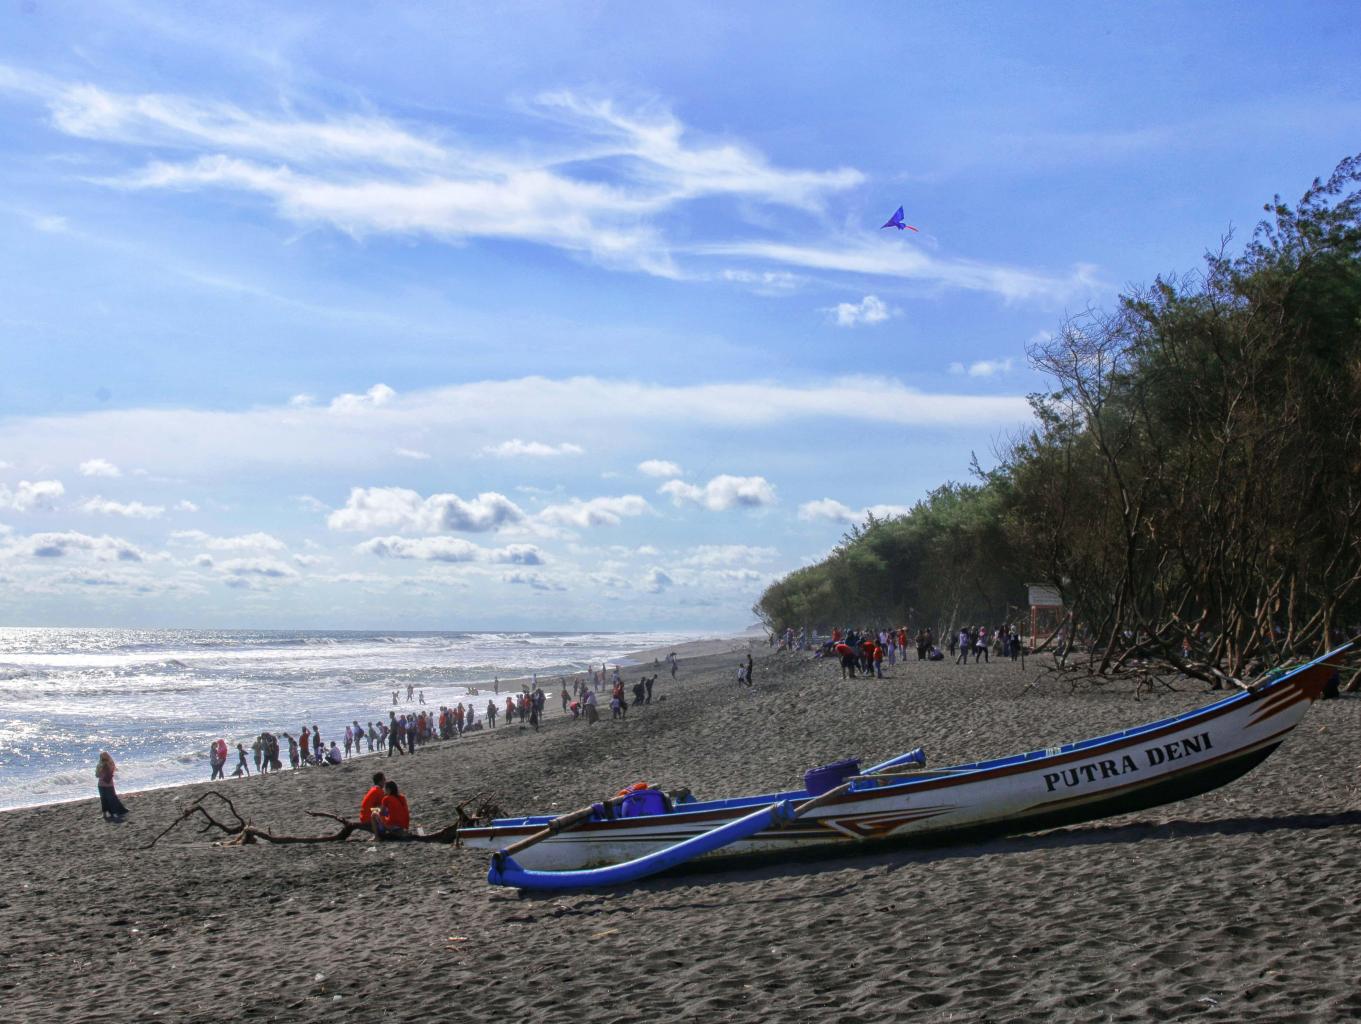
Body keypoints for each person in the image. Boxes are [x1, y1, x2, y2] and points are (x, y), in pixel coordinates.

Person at [96, 751, 128, 821]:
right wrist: (100, 769)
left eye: (104, 756)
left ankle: (114, 813)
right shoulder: (99, 765)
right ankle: (104, 814)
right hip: (101, 784)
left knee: (111, 800)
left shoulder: (111, 763)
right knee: (103, 800)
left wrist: (106, 766)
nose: (103, 758)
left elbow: (113, 771)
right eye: (102, 756)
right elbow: (97, 775)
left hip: (109, 785)